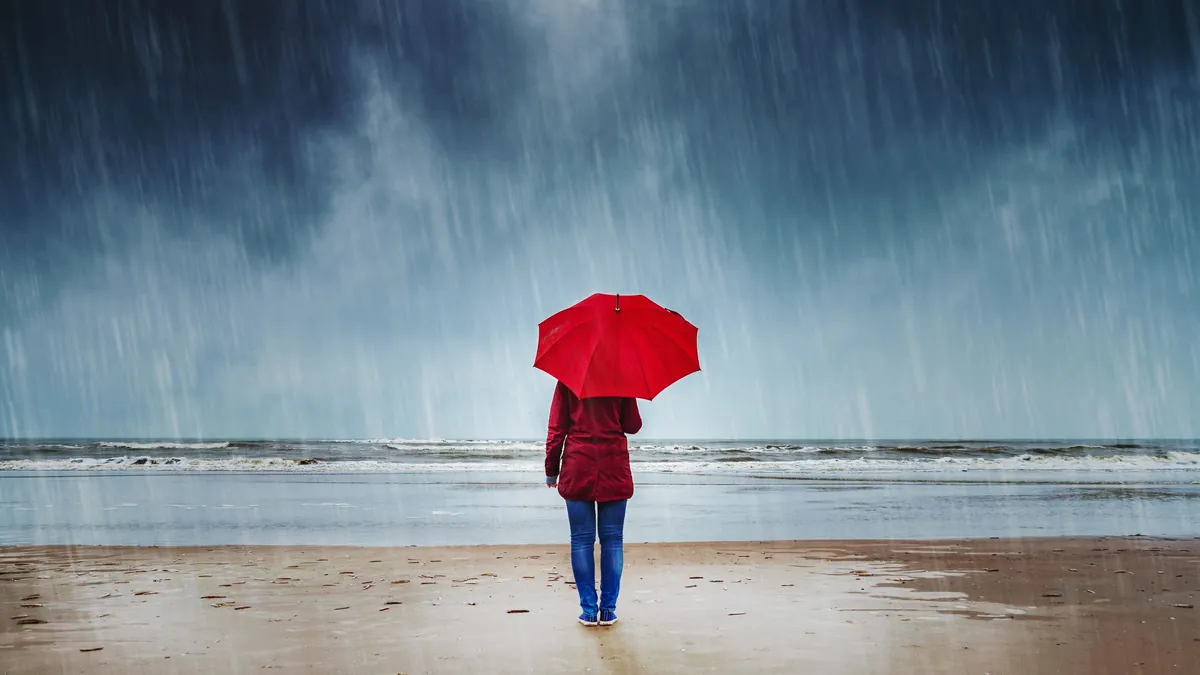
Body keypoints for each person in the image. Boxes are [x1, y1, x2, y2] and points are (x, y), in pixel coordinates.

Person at [544, 379, 642, 627]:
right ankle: (608, 610)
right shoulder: (621, 378)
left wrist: (551, 470)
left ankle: (588, 610)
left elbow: (556, 429)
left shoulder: (568, 378)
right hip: (613, 465)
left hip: (579, 464)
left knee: (581, 539)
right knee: (612, 539)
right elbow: (633, 426)